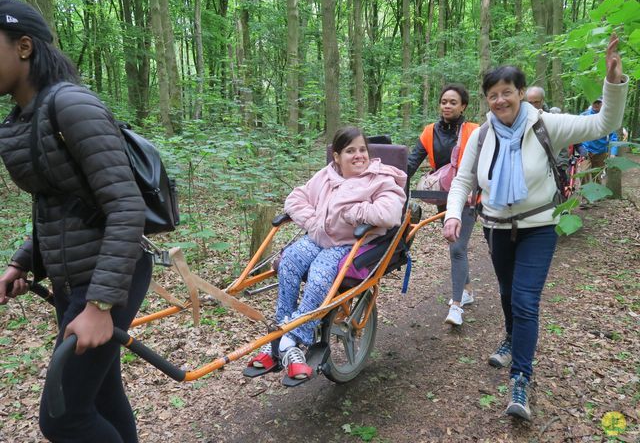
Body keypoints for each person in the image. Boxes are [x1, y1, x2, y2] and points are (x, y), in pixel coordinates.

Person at [443, 34, 628, 421]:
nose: (500, 100)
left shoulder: (547, 125)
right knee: (509, 293)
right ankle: (511, 339)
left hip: (539, 227)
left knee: (526, 300)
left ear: (521, 93)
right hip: (495, 226)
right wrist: (454, 214)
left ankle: (520, 380)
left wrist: (612, 83)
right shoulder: (483, 134)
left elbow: (605, 122)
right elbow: (462, 181)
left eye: (507, 92)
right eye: (492, 94)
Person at [0, 0, 151, 442]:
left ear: (23, 46)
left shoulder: (72, 106)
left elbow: (126, 206)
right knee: (100, 398)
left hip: (109, 277)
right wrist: (23, 262)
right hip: (74, 276)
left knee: (62, 417)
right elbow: (58, 202)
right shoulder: (23, 118)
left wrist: (100, 305)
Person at [248, 126, 406, 379]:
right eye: (350, 151)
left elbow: (389, 213)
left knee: (320, 273)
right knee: (288, 260)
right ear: (336, 157)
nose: (358, 156)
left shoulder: (381, 178)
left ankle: (294, 339)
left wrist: (352, 214)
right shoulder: (326, 176)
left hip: (347, 244)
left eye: (362, 150)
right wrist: (312, 221)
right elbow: (295, 199)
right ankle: (281, 335)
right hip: (317, 237)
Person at [407, 84, 478, 326]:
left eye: (453, 102)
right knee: (455, 244)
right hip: (442, 197)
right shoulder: (429, 132)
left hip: (468, 197)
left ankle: (456, 306)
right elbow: (411, 163)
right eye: (444, 101)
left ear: (463, 106)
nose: (447, 106)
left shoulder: (474, 131)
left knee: (457, 248)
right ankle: (467, 290)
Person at [577, 96, 619, 172]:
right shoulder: (583, 116)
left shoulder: (608, 119)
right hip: (586, 151)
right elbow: (576, 132)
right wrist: (580, 148)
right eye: (594, 102)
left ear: (603, 104)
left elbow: (613, 137)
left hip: (601, 152)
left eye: (598, 103)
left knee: (597, 177)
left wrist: (613, 153)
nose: (596, 104)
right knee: (583, 174)